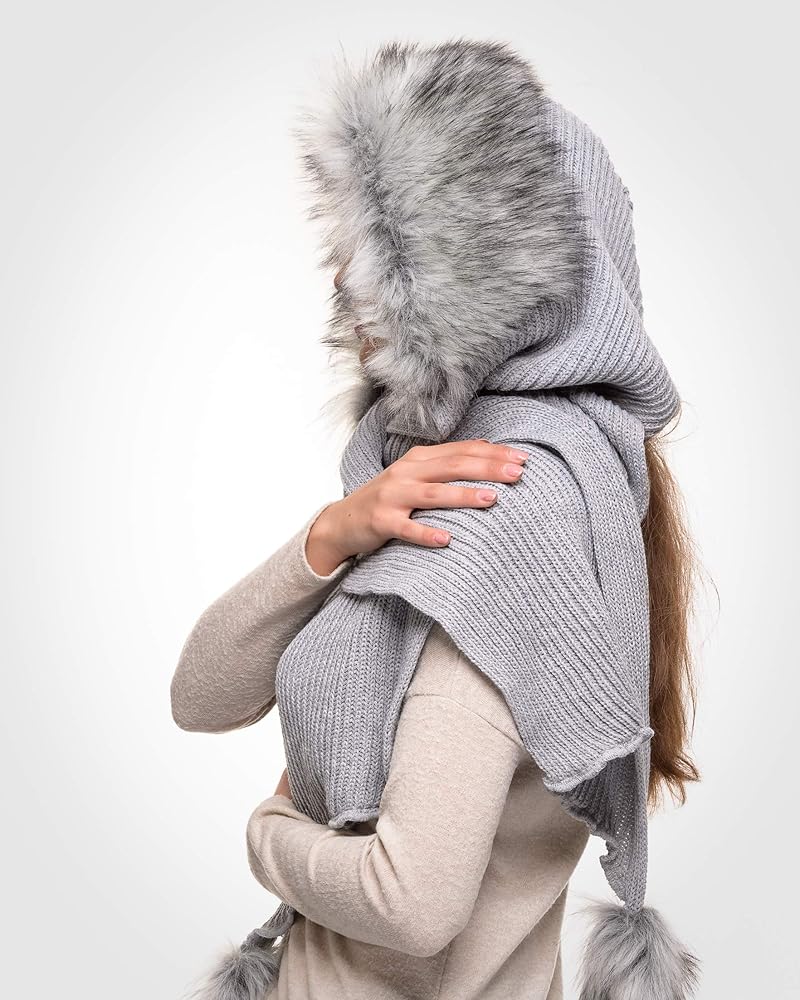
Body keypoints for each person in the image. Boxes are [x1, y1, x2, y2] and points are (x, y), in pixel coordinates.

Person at [171, 40, 700, 1000]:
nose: (343, 279)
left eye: (385, 250)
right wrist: (329, 537)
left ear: (481, 277)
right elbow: (200, 697)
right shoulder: (423, 485)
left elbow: (412, 901)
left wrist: (268, 833)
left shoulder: (499, 512)